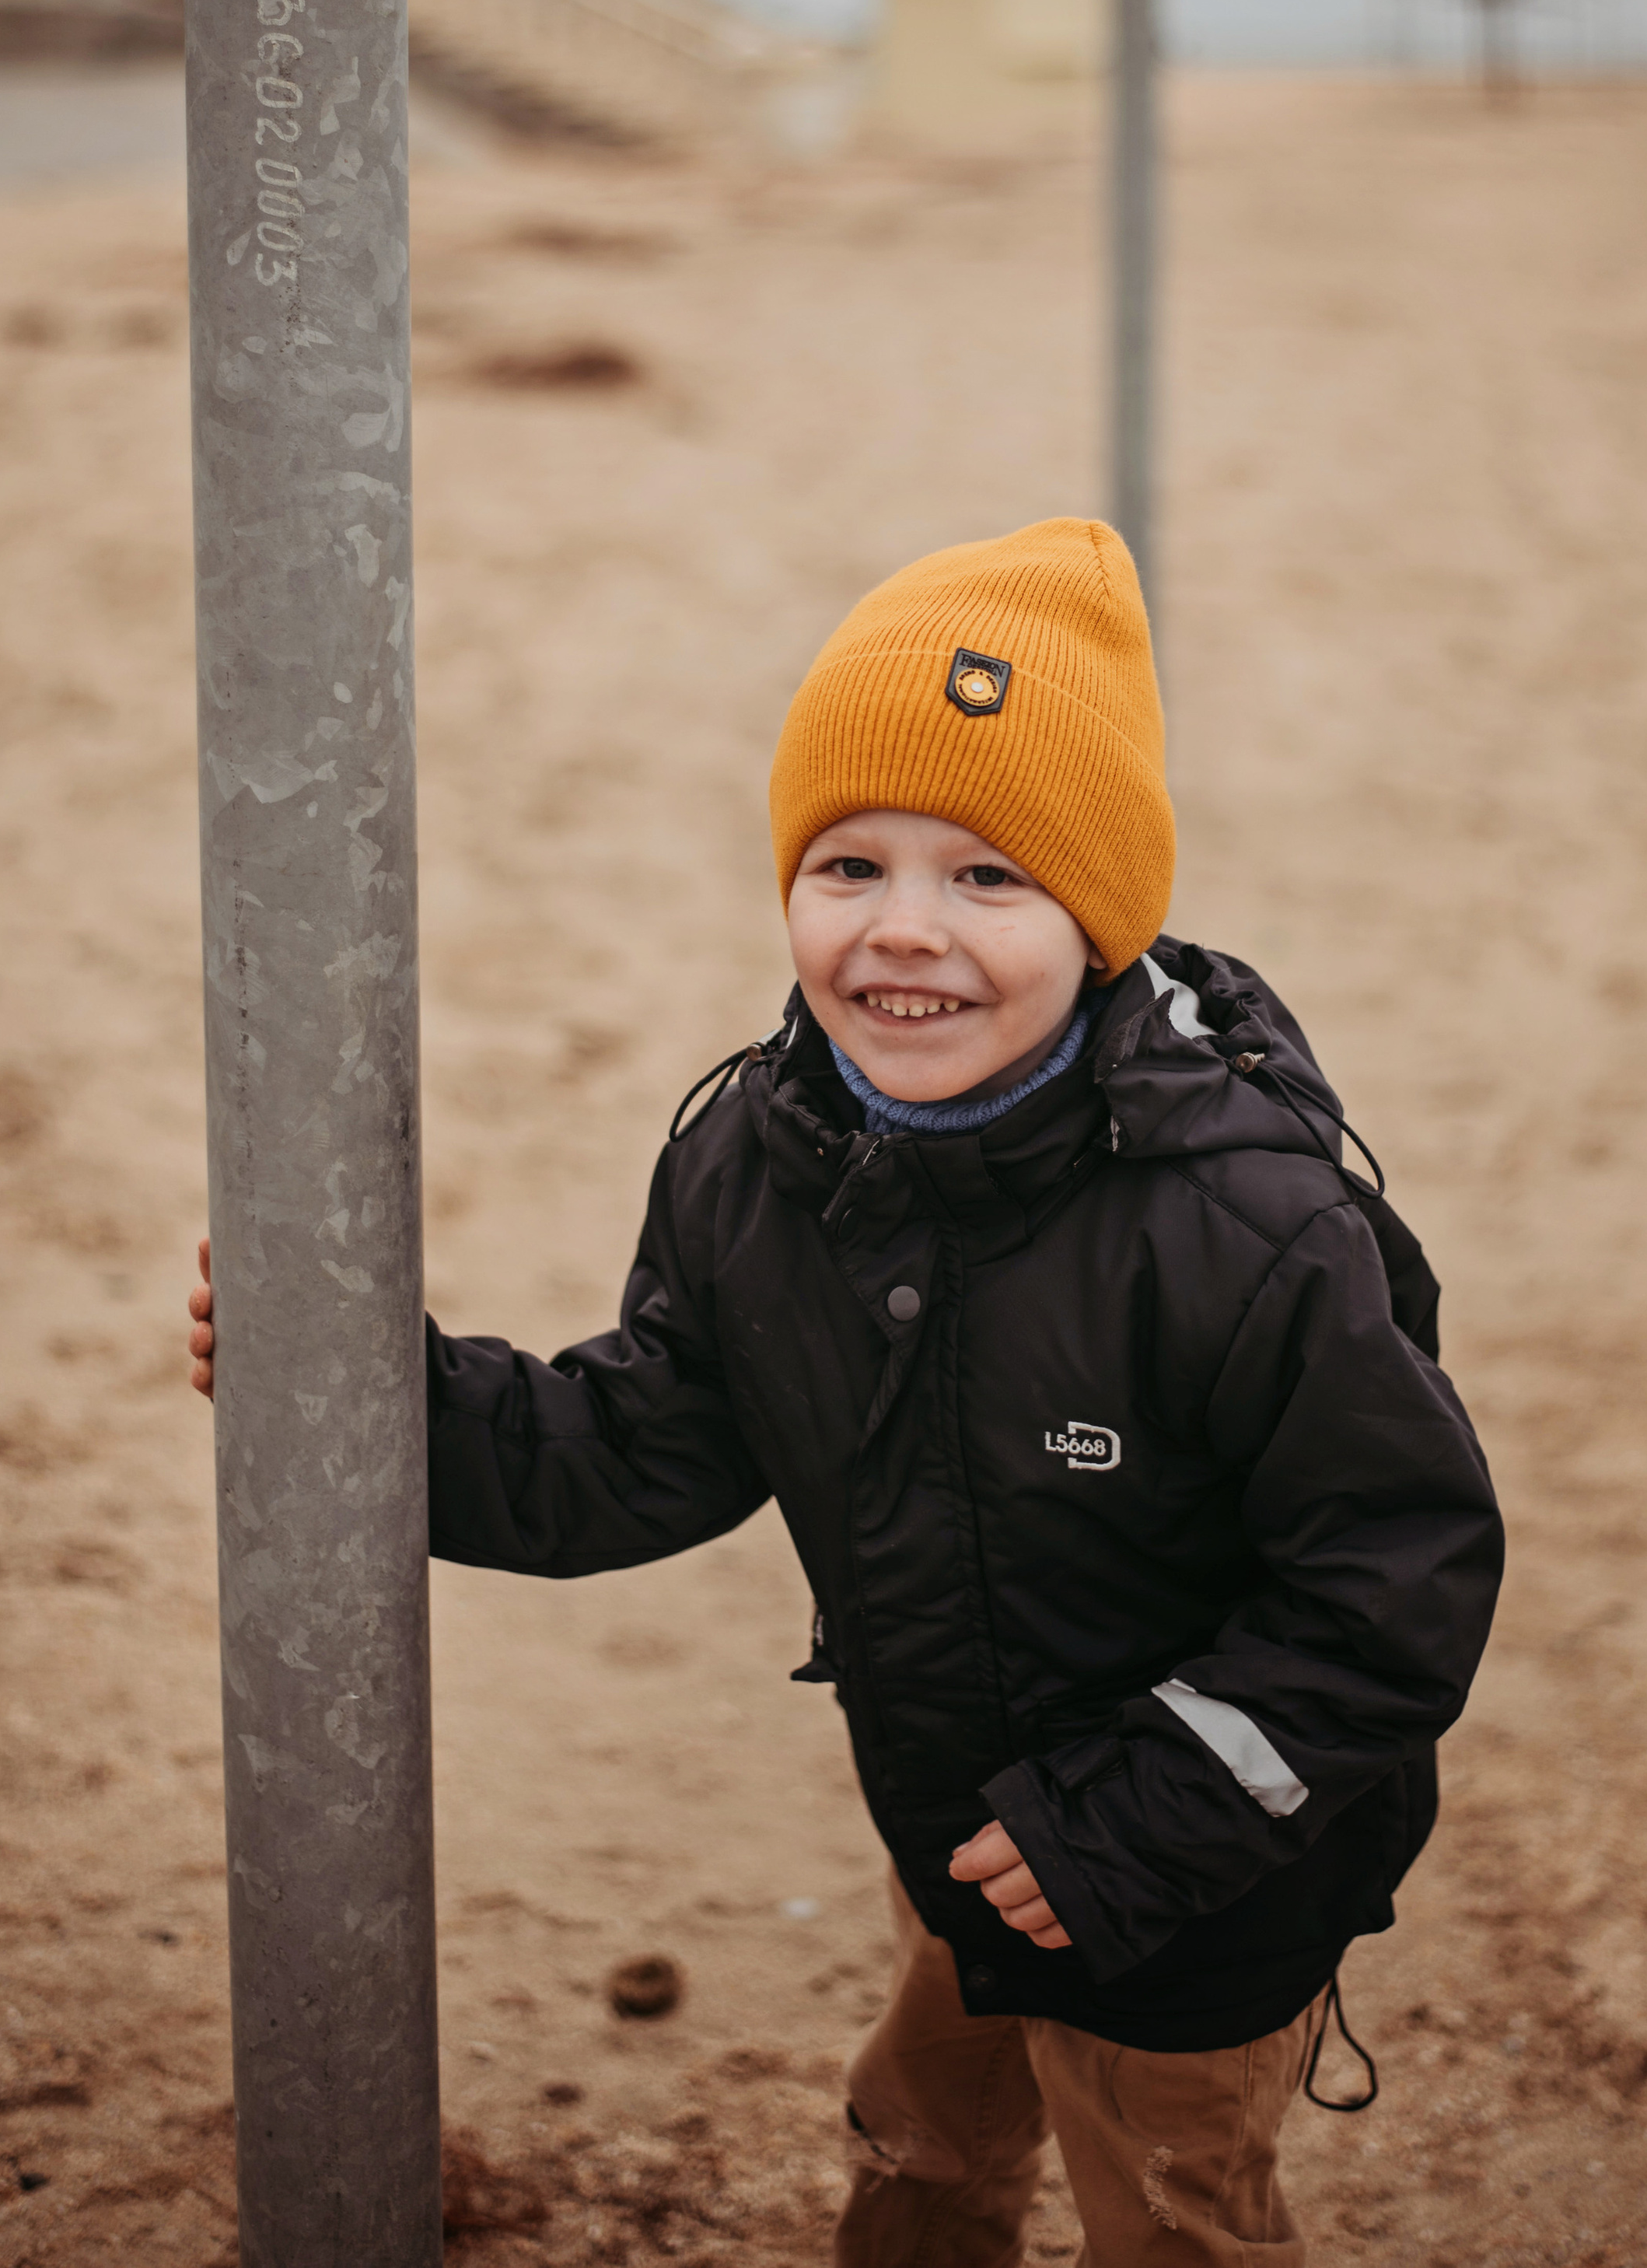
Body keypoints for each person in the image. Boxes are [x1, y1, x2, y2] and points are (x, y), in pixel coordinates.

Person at [188, 516, 1503, 2267]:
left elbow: (1392, 1582)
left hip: (1202, 1883)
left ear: (1101, 913)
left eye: (985, 879)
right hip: (956, 1831)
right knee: (922, 2140)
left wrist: (1131, 1821)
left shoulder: (1241, 1228)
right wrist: (372, 1416)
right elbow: (645, 1438)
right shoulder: (760, 1160)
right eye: (847, 866)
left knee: (1169, 2215)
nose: (904, 933)